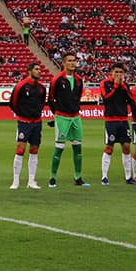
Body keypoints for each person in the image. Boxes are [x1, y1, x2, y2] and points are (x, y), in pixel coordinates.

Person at [47, 54, 89, 188]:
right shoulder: (56, 79)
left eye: (74, 61)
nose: (72, 63)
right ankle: (52, 178)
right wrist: (57, 115)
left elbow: (77, 97)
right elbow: (51, 99)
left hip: (76, 117)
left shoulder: (78, 80)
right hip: (62, 117)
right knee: (59, 148)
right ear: (63, 63)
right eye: (69, 61)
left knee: (78, 148)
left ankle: (78, 178)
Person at [8, 62, 45, 190]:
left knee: (34, 150)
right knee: (20, 149)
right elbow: (12, 103)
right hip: (24, 122)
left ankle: (31, 181)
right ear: (29, 71)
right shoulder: (21, 86)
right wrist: (22, 114)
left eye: (40, 69)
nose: (39, 71)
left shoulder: (41, 88)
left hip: (37, 122)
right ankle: (16, 181)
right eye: (36, 69)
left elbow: (42, 103)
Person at [100, 63, 136, 186]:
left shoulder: (125, 85)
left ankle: (128, 177)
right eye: (116, 72)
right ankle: (104, 176)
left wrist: (123, 87)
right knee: (109, 147)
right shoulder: (105, 84)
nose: (119, 75)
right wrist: (115, 86)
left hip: (123, 120)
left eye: (121, 72)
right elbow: (106, 98)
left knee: (126, 147)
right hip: (111, 120)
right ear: (111, 72)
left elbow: (131, 100)